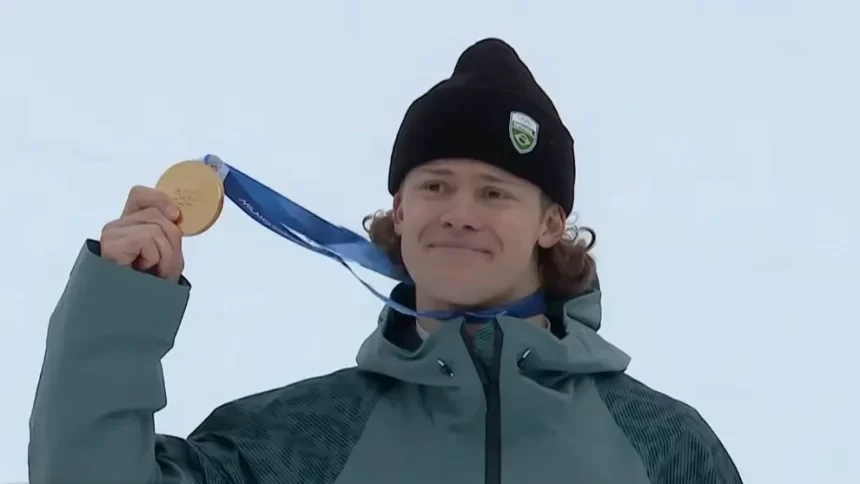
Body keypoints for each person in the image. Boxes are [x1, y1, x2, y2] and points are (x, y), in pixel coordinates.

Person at [28, 38, 743, 484]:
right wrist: (118, 309)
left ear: (552, 224)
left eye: (494, 191)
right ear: (399, 213)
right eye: (434, 186)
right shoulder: (304, 437)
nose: (459, 210)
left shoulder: (662, 444)